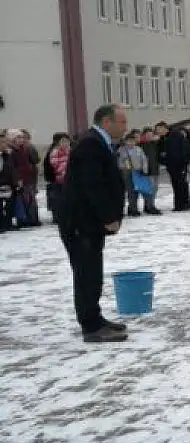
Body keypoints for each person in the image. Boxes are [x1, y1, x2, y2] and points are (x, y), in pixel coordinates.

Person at [57, 105, 129, 343]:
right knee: (86, 273)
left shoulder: (98, 141)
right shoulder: (91, 144)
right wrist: (108, 217)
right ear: (107, 122)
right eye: (122, 121)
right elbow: (93, 185)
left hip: (88, 223)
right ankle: (90, 325)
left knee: (93, 272)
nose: (125, 126)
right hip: (81, 222)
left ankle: (95, 318)